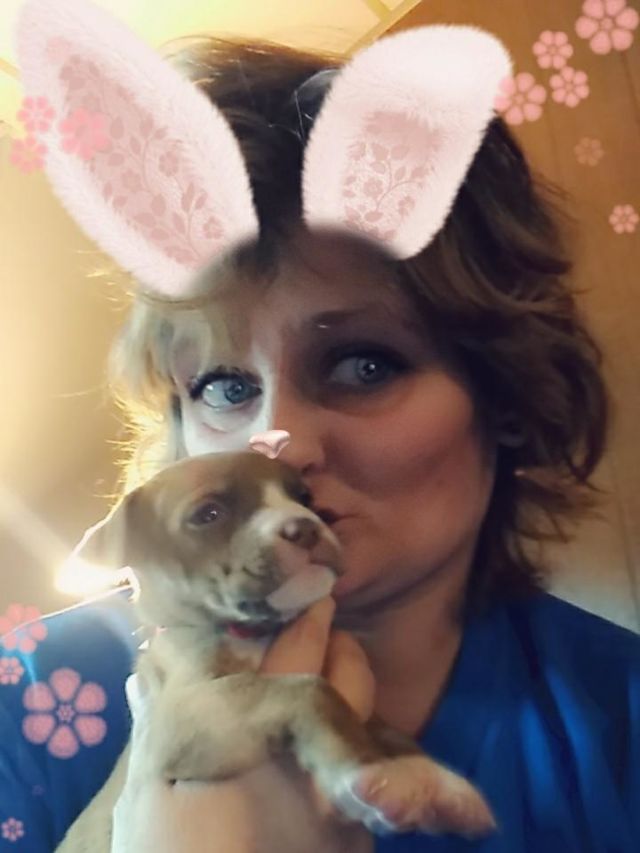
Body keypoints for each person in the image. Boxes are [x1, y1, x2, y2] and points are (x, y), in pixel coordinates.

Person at [2, 2, 639, 850]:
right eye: (225, 384)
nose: (279, 443)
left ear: (508, 397)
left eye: (364, 365)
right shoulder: (30, 696)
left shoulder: (621, 724)